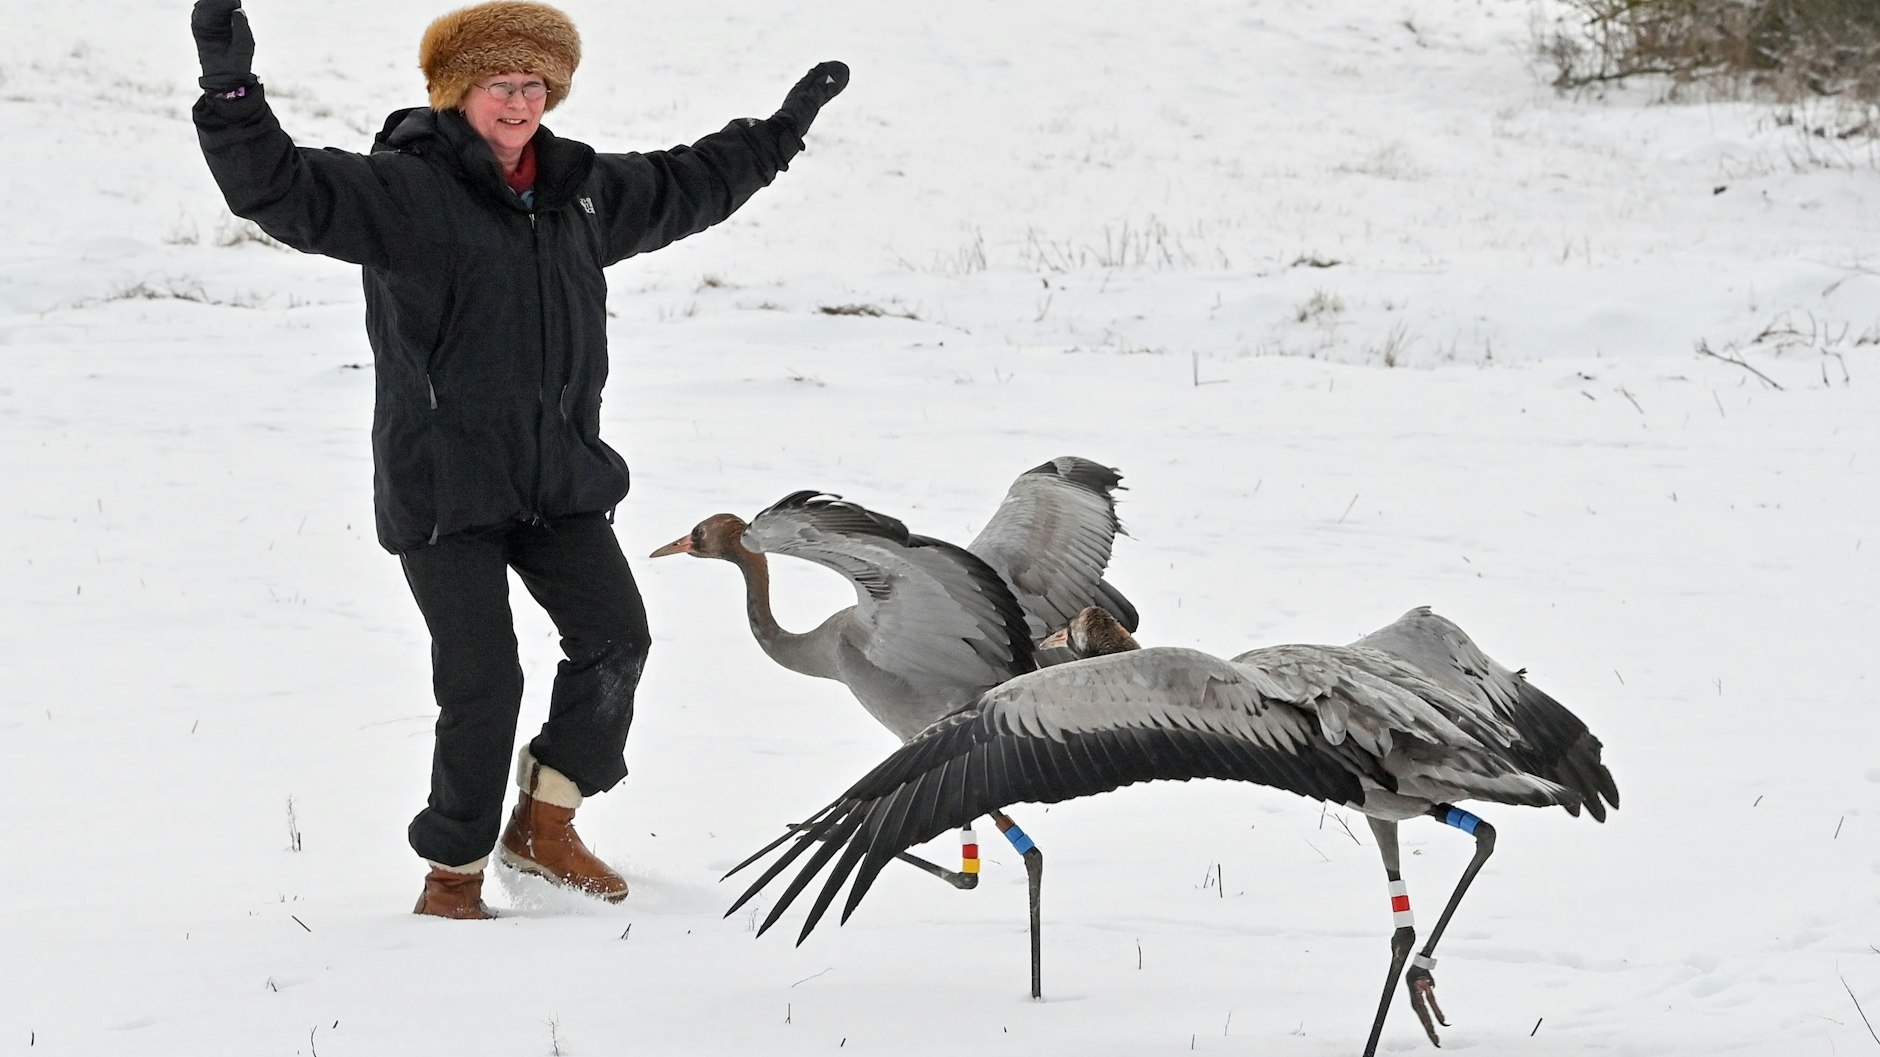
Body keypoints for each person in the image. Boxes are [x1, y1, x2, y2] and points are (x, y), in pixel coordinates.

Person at [190, 0, 848, 918]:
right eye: (502, 83)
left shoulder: (578, 193)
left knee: (617, 638)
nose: (520, 101)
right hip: (446, 489)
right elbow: (280, 188)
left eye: (536, 84)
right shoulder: (405, 191)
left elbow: (687, 182)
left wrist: (778, 135)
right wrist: (230, 89)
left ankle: (547, 819)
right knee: (483, 683)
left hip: (558, 482)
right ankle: (452, 871)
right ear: (460, 93)